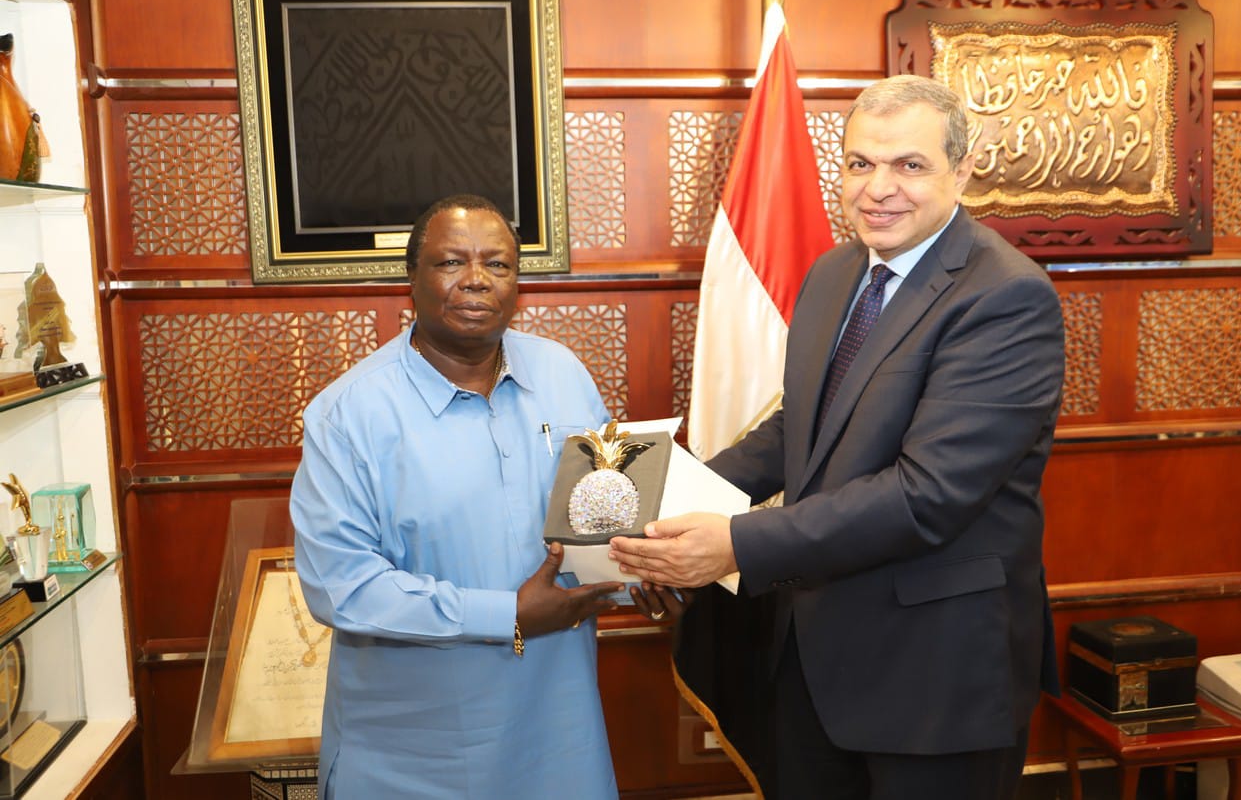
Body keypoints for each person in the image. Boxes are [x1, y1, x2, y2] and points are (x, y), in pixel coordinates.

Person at [610, 74, 1066, 800]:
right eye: (860, 163)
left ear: (963, 170)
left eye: (909, 165)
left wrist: (736, 544)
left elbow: (927, 495)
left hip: (936, 675)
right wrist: (668, 500)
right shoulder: (833, 273)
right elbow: (799, 427)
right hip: (813, 654)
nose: (878, 189)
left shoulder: (1006, 296)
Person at [291, 194, 682, 799]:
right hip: (411, 755)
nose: (477, 279)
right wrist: (508, 615)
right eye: (452, 262)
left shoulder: (562, 373)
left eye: (498, 264)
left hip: (558, 734)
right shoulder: (347, 415)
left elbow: (602, 519)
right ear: (411, 279)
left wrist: (647, 577)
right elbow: (340, 588)